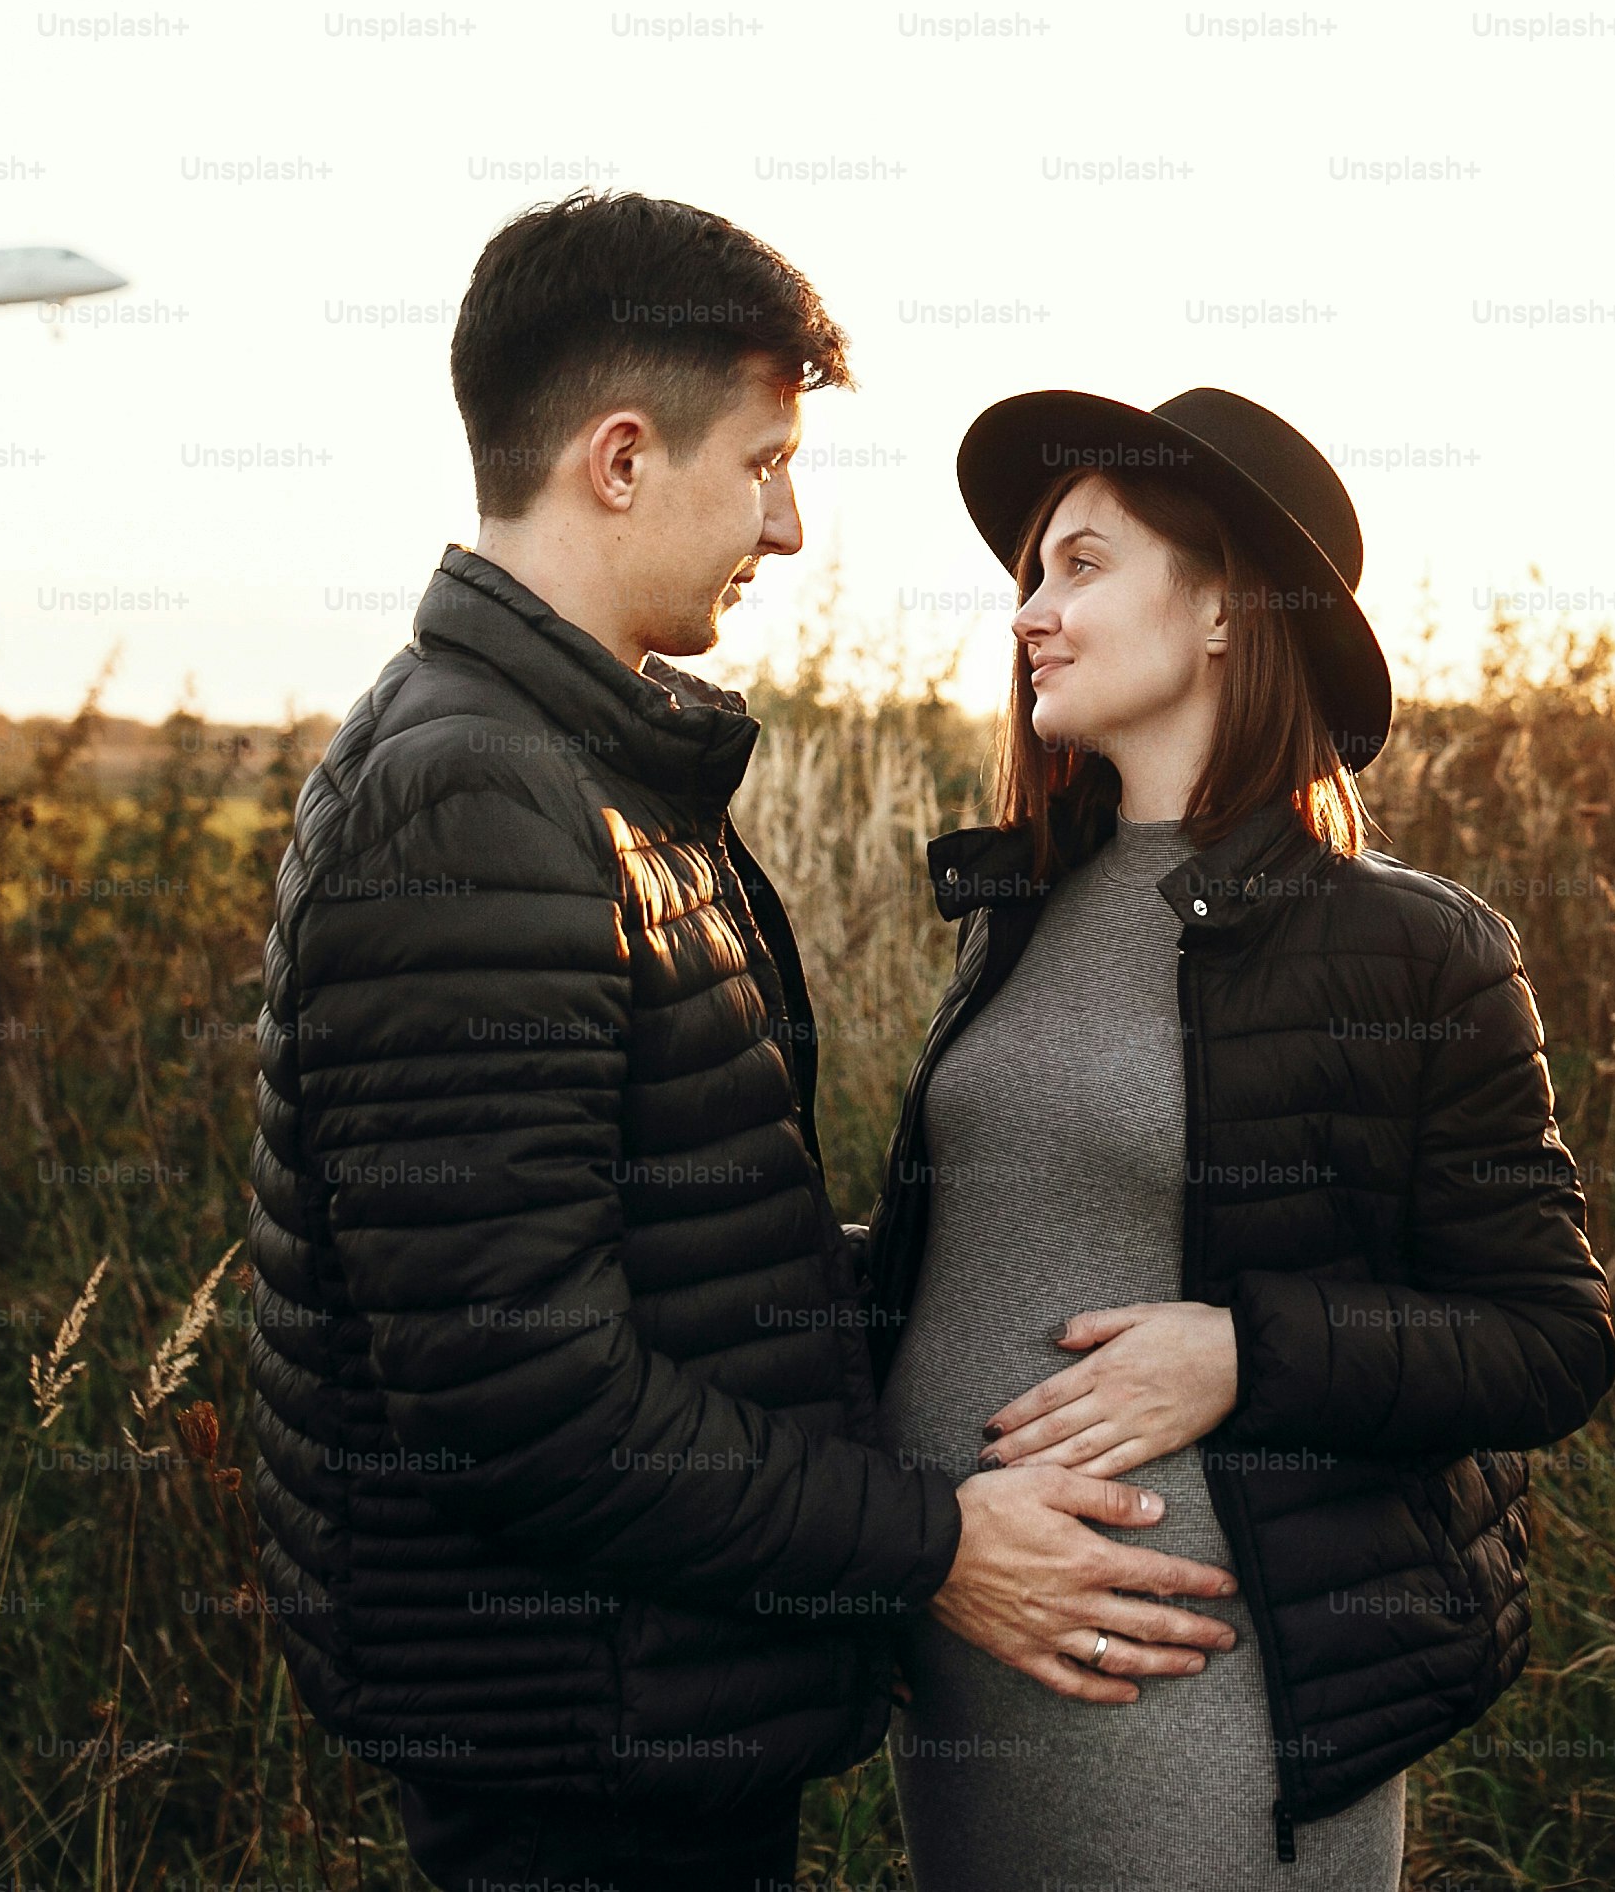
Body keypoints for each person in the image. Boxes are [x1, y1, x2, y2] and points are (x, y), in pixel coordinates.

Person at [240, 198, 1243, 1892]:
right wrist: (936, 1542)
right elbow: (520, 1388)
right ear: (622, 460)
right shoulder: (474, 793)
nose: (787, 526)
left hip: (641, 1694)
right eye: (766, 464)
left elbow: (685, 1250)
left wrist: (1174, 1320)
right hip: (581, 1742)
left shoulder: (587, 768)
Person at [866, 386, 1615, 1885]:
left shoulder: (1413, 949)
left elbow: (1550, 1340)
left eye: (1081, 565)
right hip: (964, 1674)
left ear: (1225, 608)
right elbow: (975, 1250)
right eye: (1029, 574)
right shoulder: (1019, 907)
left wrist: (1241, 1351)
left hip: (1203, 1707)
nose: (1030, 612)